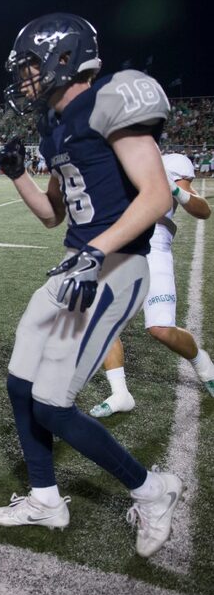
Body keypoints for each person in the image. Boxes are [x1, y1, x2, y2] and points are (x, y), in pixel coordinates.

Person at [0, 13, 183, 559]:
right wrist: (17, 175)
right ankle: (46, 499)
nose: (24, 78)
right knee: (20, 380)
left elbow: (156, 196)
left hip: (115, 266)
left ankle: (154, 490)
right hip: (77, 265)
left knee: (53, 402)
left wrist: (96, 251)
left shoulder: (111, 100)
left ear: (62, 58)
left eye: (29, 66)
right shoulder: (54, 124)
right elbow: (52, 214)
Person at [91, 152, 213, 416]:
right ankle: (120, 393)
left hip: (154, 246)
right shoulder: (115, 160)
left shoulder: (169, 163)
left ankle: (203, 364)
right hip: (118, 246)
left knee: (161, 328)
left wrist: (172, 190)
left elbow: (203, 211)